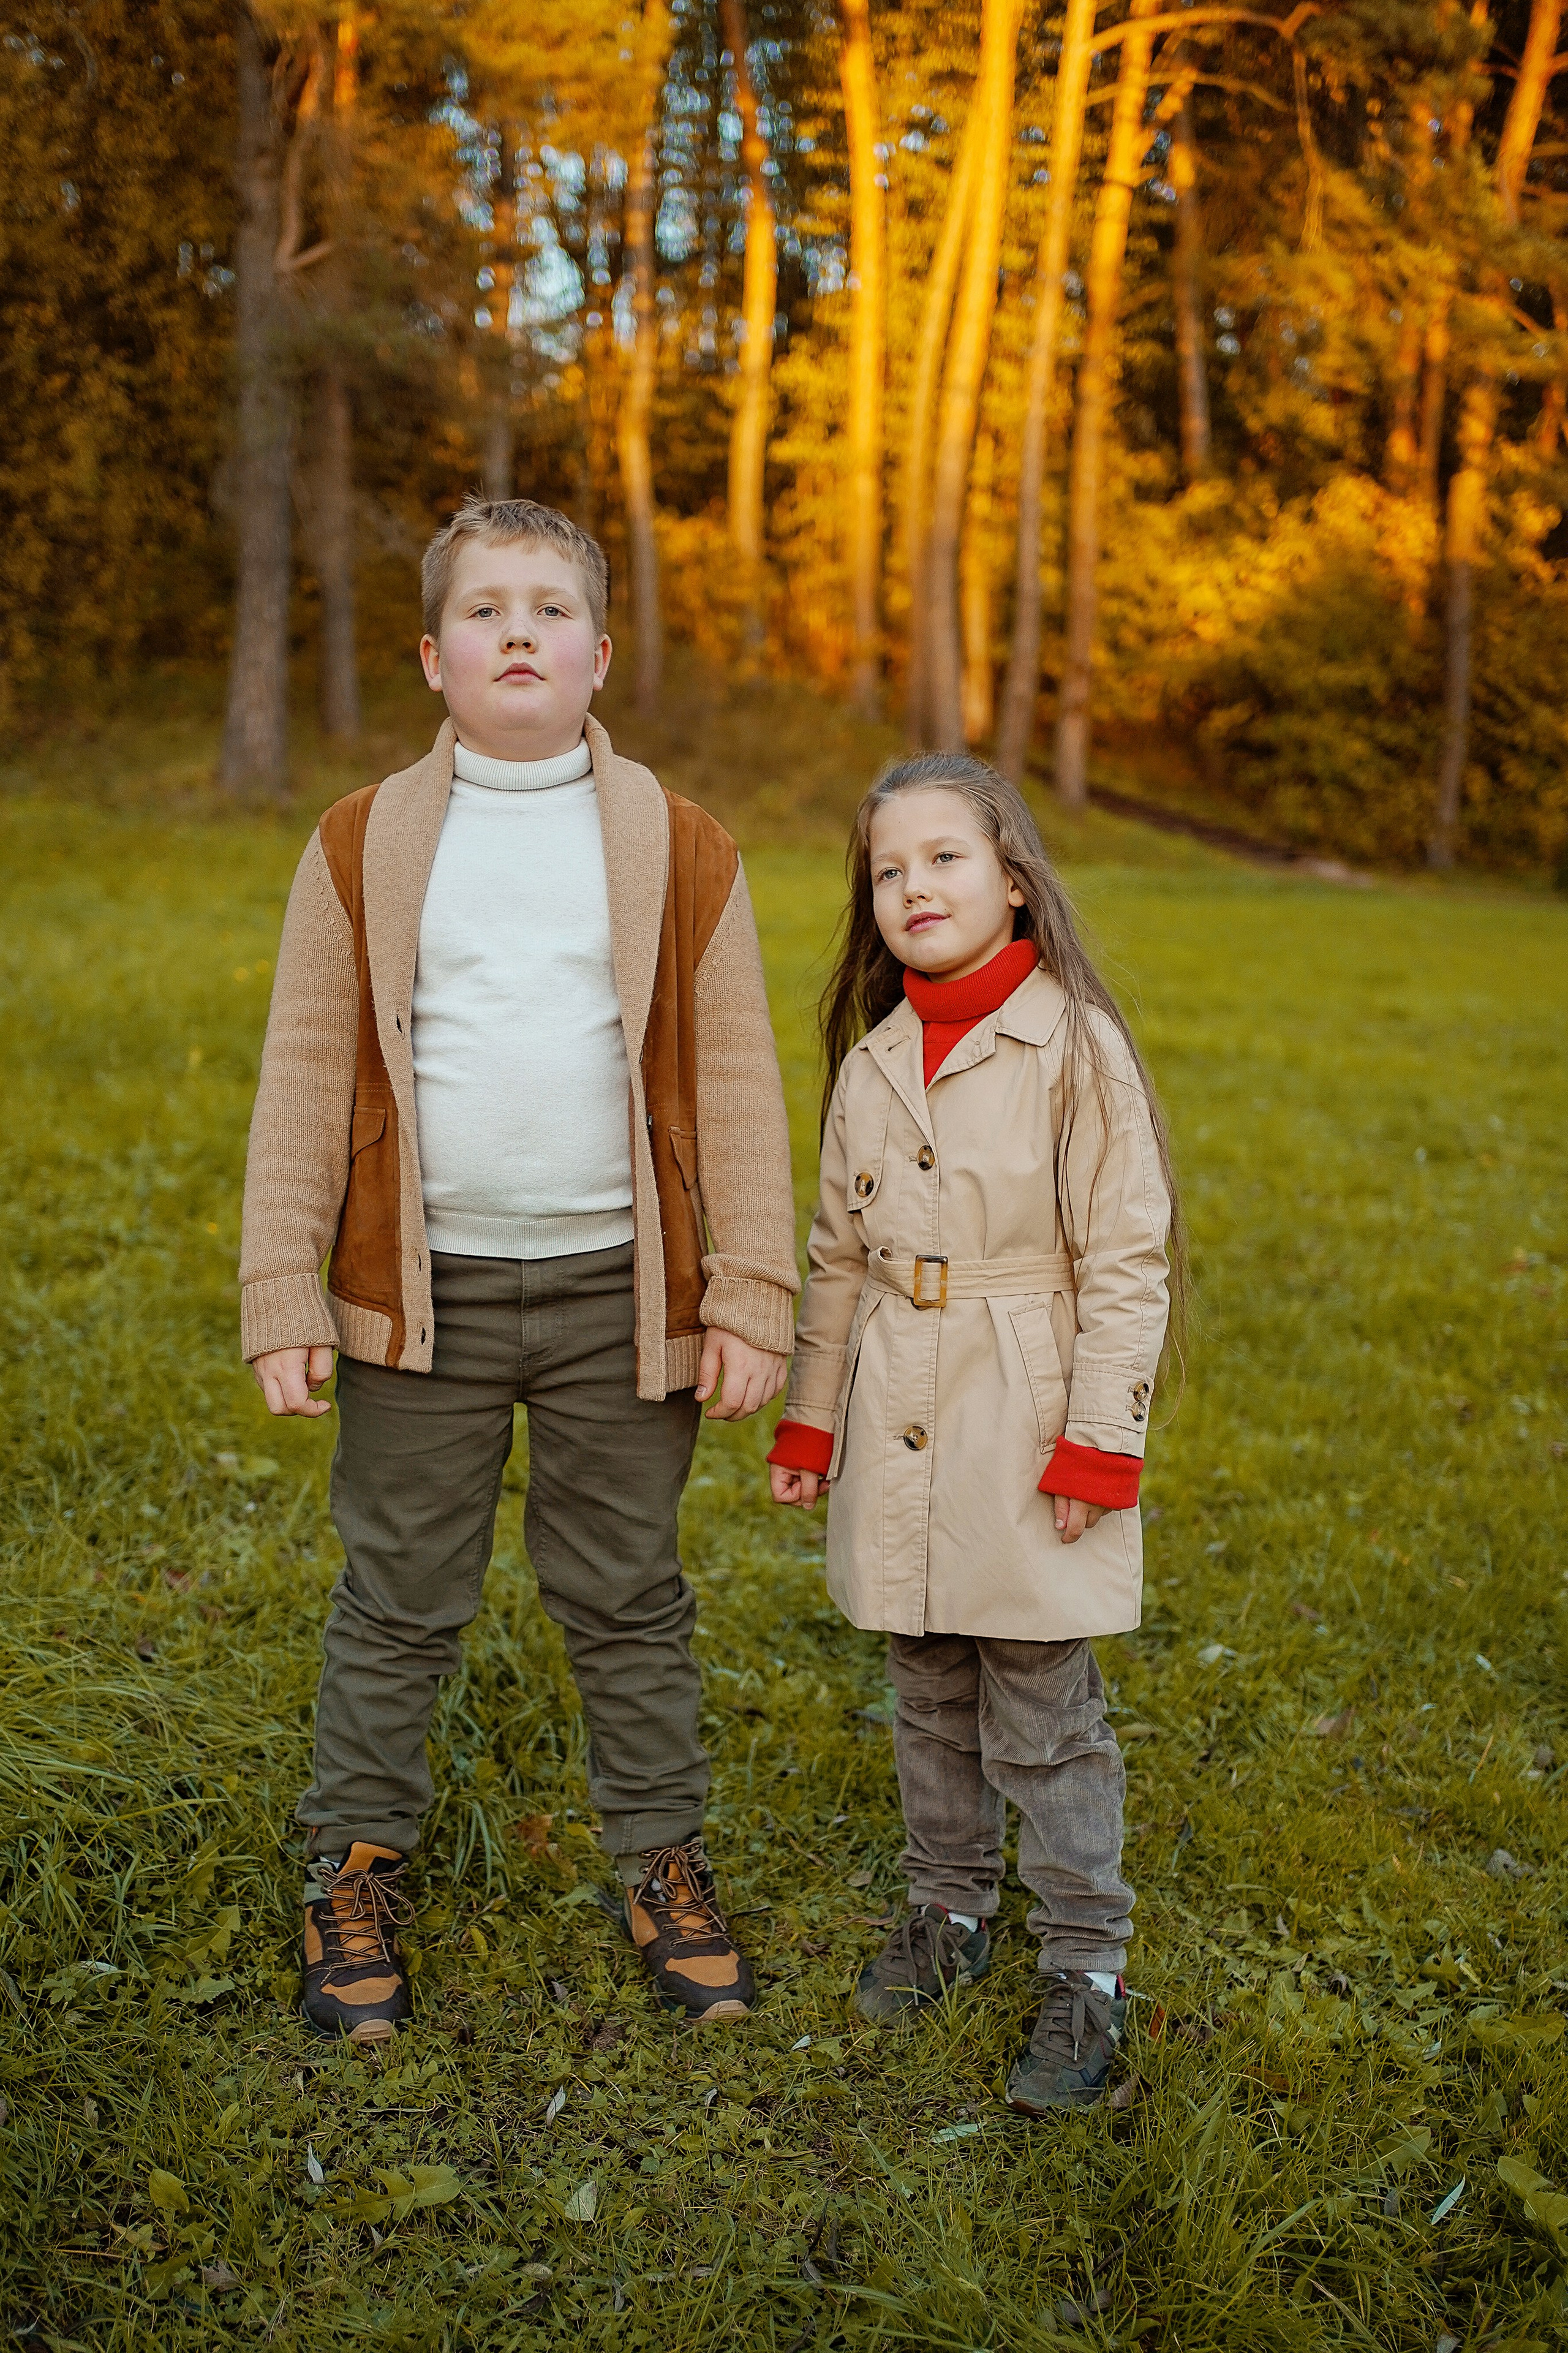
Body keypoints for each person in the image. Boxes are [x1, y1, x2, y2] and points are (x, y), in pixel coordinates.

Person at [240, 494, 799, 2042]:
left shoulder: (682, 848)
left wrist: (748, 1287)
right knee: (398, 1592)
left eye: (549, 610)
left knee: (625, 1592)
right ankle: (350, 1866)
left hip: (623, 1291)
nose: (518, 634)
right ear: (433, 657)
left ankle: (661, 1859)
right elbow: (304, 1067)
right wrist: (284, 1291)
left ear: (600, 654)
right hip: (427, 1296)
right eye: (484, 611)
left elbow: (739, 1077)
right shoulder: (362, 841)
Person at [767, 752, 1180, 2113]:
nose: (911, 887)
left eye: (942, 858)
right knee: (925, 1681)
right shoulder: (875, 1063)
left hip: (1026, 1402)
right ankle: (946, 1908)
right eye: (887, 870)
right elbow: (835, 1257)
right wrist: (811, 1417)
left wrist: (1097, 1441)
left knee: (1040, 1705)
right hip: (899, 1402)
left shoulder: (1073, 1048)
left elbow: (1123, 1262)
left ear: (1011, 879)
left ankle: (1085, 1966)